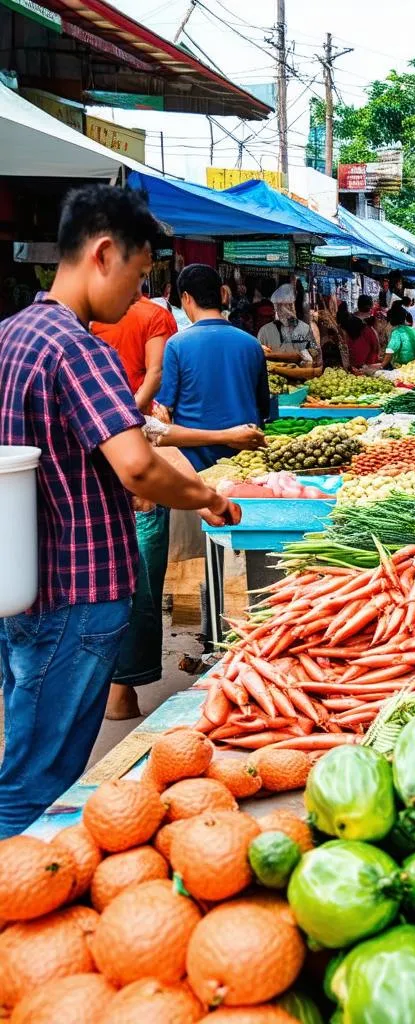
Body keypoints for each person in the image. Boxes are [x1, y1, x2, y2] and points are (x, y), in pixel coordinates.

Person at [0, 185, 241, 837]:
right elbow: (135, 464)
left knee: (27, 746)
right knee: (37, 781)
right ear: (104, 254)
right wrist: (209, 496)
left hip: (23, 587)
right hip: (77, 593)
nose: (137, 298)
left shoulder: (9, 334)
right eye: (137, 277)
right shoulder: (80, 347)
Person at [106, 417, 264, 720]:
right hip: (128, 508)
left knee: (122, 602)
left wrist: (223, 436)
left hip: (109, 510)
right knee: (134, 600)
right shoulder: (96, 382)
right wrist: (208, 501)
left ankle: (111, 694)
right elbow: (149, 450)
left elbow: (155, 433)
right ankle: (116, 696)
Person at [157, 264, 270, 470]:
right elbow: (263, 407)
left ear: (186, 298)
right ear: (221, 294)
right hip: (246, 461)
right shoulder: (251, 344)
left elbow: (164, 410)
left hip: (195, 462)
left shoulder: (176, 345)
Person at [92, 290, 178, 412]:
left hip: (103, 408)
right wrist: (131, 412)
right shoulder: (156, 315)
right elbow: (156, 372)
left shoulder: (93, 316)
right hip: (142, 411)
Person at [258, 283, 323, 381]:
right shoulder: (265, 331)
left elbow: (315, 358)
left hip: (301, 380)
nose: (283, 311)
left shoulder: (304, 329)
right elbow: (259, 357)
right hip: (273, 381)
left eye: (288, 306)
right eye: (279, 307)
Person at [382, 303, 415, 368]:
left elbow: (390, 351)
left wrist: (381, 365)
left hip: (401, 366)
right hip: (414, 365)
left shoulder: (396, 332)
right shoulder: (412, 330)